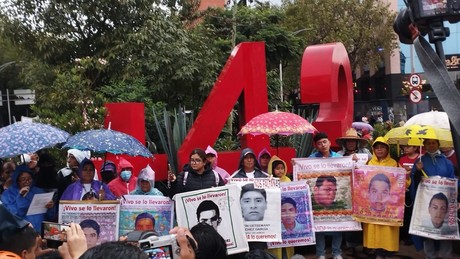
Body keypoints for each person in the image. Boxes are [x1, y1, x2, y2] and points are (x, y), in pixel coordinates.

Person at [410, 138, 456, 258]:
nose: (431, 145)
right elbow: (414, 181)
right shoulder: (420, 161)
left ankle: (445, 256)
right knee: (427, 230)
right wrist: (418, 172)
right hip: (427, 202)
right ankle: (429, 256)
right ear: (424, 145)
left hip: (445, 202)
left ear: (438, 144)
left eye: (433, 143)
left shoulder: (446, 162)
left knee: (445, 230)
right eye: (428, 143)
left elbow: (453, 180)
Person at [309, 132, 343, 259]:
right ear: (316, 146)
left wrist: (353, 161)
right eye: (319, 143)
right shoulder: (311, 159)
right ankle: (320, 254)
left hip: (333, 205)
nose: (322, 145)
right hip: (318, 203)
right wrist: (296, 164)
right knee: (319, 228)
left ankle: (337, 252)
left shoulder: (339, 158)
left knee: (338, 226)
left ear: (329, 142)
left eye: (324, 142)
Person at [365, 137, 400, 259]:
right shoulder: (369, 163)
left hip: (389, 205)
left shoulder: (394, 163)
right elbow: (364, 182)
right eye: (377, 147)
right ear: (373, 149)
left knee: (388, 230)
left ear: (387, 149)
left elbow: (401, 183)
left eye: (382, 147)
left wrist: (405, 175)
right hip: (373, 205)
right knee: (375, 229)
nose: (379, 150)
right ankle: (378, 253)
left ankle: (389, 253)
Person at [1, 165, 55, 233]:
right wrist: (21, 197)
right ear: (17, 180)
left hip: (41, 230)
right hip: (23, 234)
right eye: (23, 179)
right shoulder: (8, 195)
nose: (27, 182)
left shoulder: (39, 191)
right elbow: (14, 215)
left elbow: (50, 215)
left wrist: (51, 207)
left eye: (29, 178)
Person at [398, 144, 420, 245]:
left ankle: (412, 237)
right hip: (402, 191)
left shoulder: (421, 159)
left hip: (415, 191)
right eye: (404, 147)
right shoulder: (401, 159)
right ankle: (403, 235)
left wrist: (413, 172)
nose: (405, 149)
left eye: (408, 146)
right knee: (404, 214)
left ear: (415, 147)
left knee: (413, 214)